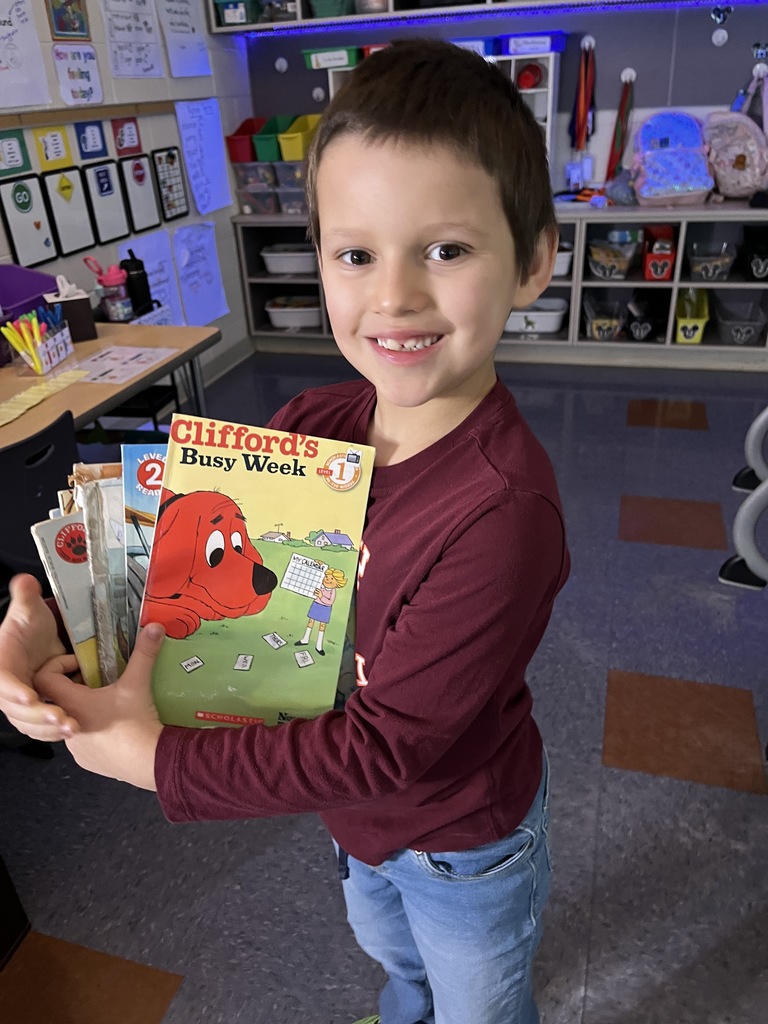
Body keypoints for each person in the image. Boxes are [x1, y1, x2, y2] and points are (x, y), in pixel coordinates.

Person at [0, 38, 569, 1024]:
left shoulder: (502, 515)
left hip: (462, 840)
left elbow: (388, 748)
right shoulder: (313, 425)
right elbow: (175, 554)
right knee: (393, 960)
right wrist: (58, 624)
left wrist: (157, 760)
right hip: (355, 826)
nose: (392, 296)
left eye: (446, 249)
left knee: (481, 1000)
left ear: (531, 262)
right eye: (356, 253)